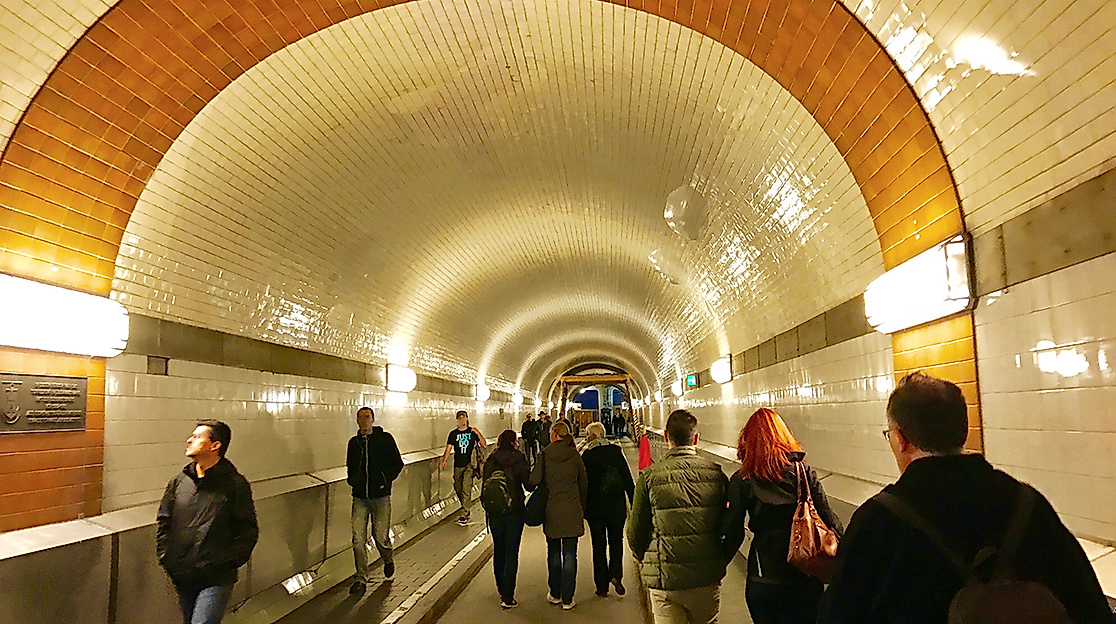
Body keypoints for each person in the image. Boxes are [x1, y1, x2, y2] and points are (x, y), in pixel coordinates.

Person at [819, 372, 1115, 624]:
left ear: (901, 438)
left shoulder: (878, 522)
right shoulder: (1027, 504)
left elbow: (839, 615)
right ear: (963, 430)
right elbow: (1089, 607)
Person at [721, 408, 843, 624]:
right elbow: (832, 523)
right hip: (806, 577)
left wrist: (716, 568)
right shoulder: (804, 474)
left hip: (764, 578)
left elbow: (733, 533)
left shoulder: (743, 479)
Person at [628, 410, 727, 624]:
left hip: (666, 582)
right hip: (706, 580)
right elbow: (727, 525)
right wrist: (719, 560)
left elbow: (636, 529)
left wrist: (640, 555)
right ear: (696, 438)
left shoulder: (649, 477)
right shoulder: (717, 475)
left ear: (666, 437)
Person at [157, 421, 258, 624]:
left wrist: (224, 564)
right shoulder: (178, 483)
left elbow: (247, 531)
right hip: (183, 574)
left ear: (215, 446)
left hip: (215, 578)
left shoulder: (234, 485)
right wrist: (167, 557)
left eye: (197, 437)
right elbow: (164, 522)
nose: (189, 440)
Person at [529, 420, 587, 610]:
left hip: (551, 511)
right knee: (570, 554)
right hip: (572, 511)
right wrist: (581, 508)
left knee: (554, 553)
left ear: (554, 435)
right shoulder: (574, 454)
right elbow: (583, 483)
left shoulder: (544, 455)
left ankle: (555, 593)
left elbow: (534, 480)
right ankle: (568, 599)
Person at [346, 407, 404, 593]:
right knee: (357, 539)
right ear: (357, 421)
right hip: (360, 497)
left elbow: (398, 463)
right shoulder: (354, 443)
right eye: (360, 418)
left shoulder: (385, 439)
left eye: (367, 417)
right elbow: (350, 465)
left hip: (380, 497)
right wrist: (352, 480)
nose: (363, 421)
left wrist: (384, 480)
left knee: (380, 537)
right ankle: (361, 578)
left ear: (373, 419)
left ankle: (388, 559)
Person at [581, 422, 635, 598]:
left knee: (598, 545)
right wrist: (634, 503)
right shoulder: (615, 452)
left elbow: (582, 485)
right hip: (616, 506)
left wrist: (581, 507)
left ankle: (602, 586)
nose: (587, 437)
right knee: (616, 542)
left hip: (595, 509)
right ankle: (616, 575)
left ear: (594, 436)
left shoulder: (587, 456)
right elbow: (627, 479)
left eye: (588, 434)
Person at [482, 429, 532, 609]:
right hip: (514, 511)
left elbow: (484, 486)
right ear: (514, 442)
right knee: (511, 553)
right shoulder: (519, 458)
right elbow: (528, 484)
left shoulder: (491, 459)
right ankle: (508, 596)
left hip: (495, 512)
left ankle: (501, 588)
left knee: (499, 550)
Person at [441, 410, 487, 526]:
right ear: (457, 420)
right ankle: (465, 506)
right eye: (460, 418)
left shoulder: (472, 432)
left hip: (469, 464)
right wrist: (444, 460)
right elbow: (449, 447)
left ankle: (465, 513)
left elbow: (484, 444)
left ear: (467, 419)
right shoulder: (453, 434)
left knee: (466, 488)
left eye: (463, 418)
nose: (462, 420)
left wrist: (478, 432)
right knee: (457, 487)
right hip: (458, 464)